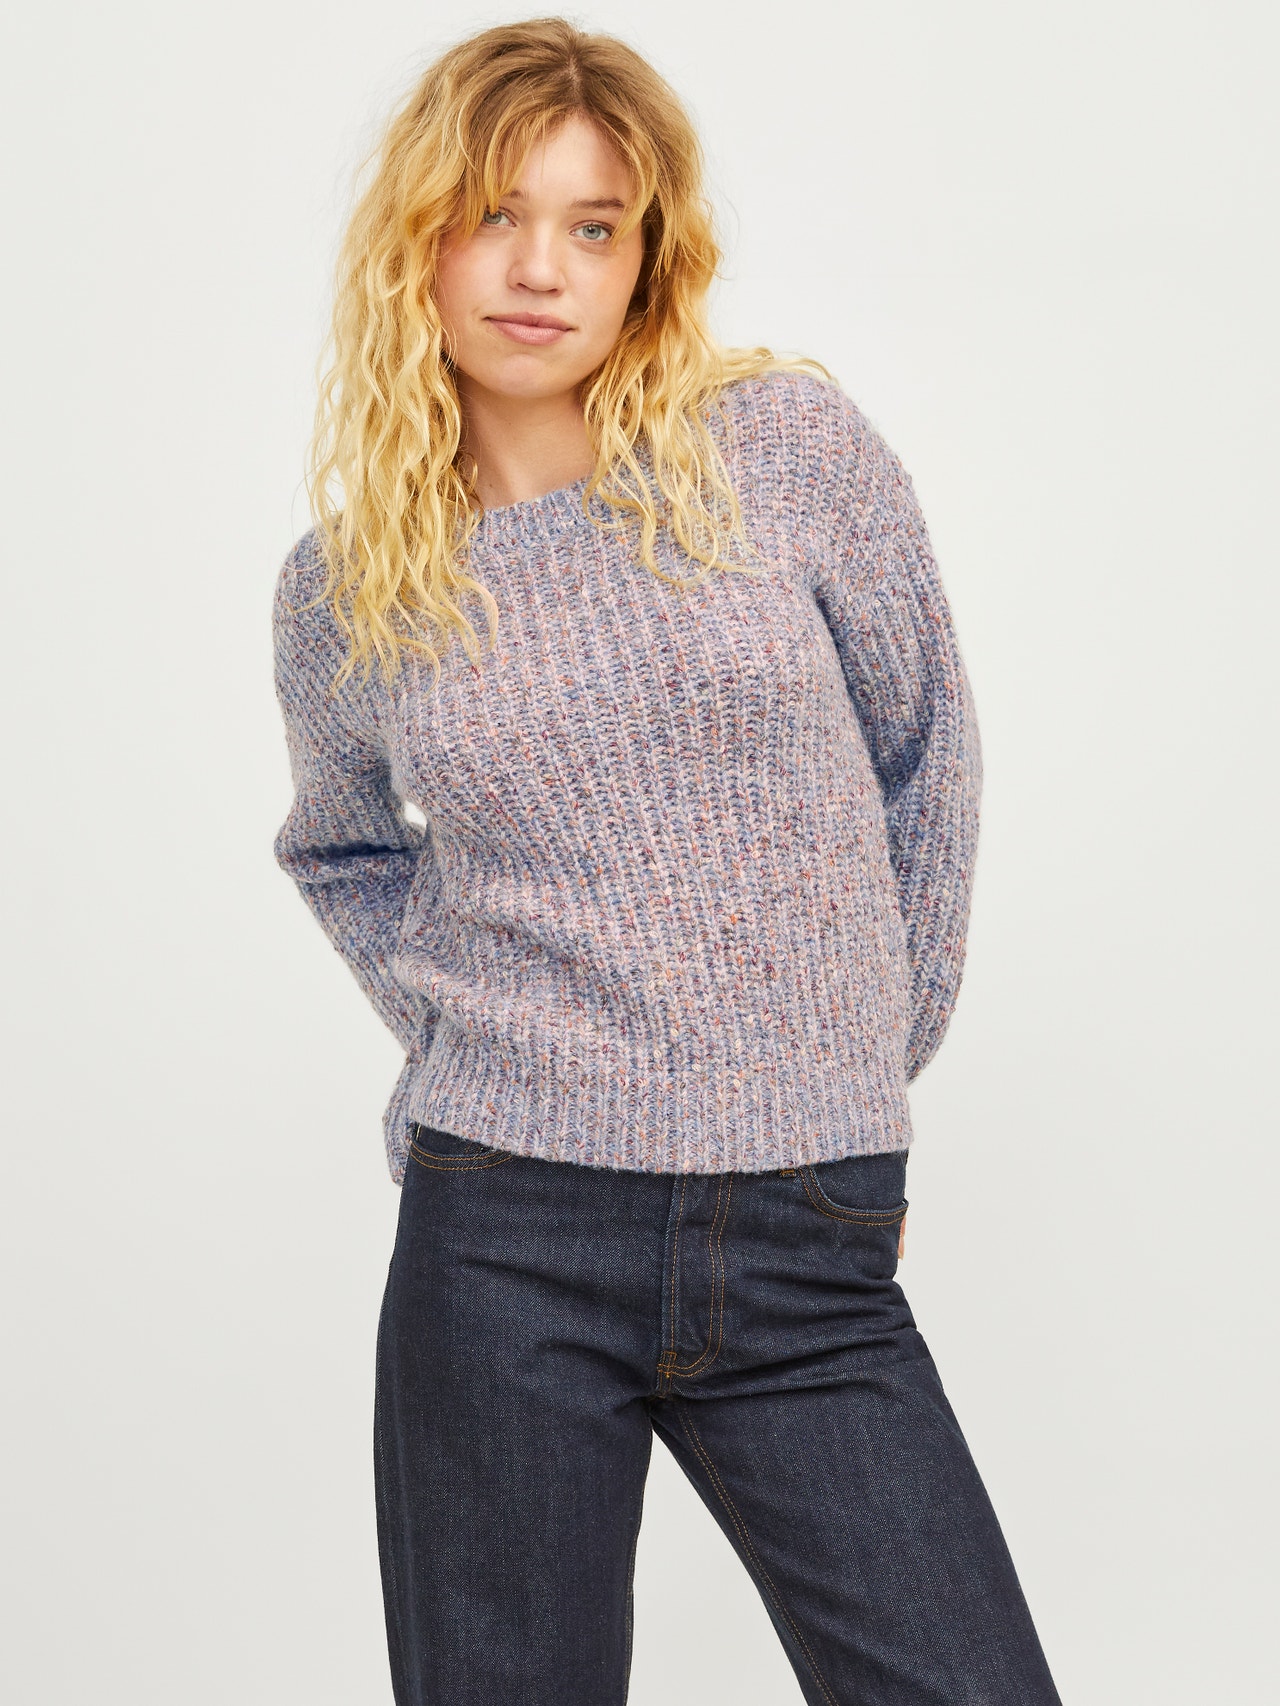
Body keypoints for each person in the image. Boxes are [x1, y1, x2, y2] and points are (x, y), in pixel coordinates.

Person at [271, 17, 1062, 1705]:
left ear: (649, 259)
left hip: (804, 1224)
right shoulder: (348, 586)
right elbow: (339, 845)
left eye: (593, 224)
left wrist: (858, 1055)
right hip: (505, 1233)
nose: (538, 269)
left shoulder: (780, 455)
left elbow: (925, 753)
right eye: (494, 215)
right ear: (418, 239)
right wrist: (483, 1030)